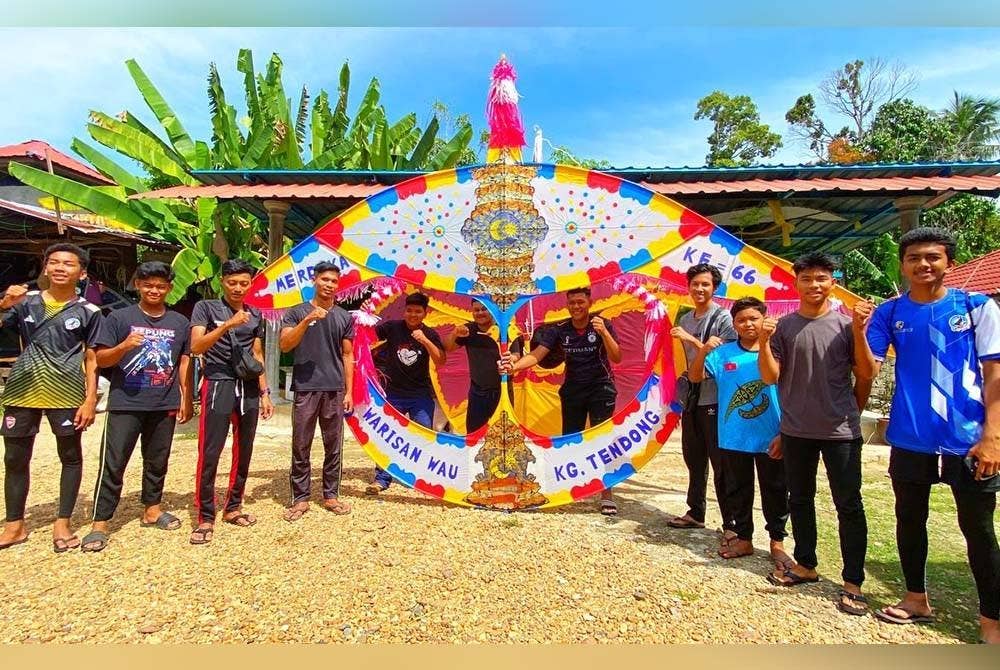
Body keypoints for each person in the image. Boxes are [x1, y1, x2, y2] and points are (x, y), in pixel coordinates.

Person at [856, 227, 1000, 643]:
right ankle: (915, 598)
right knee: (909, 521)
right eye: (914, 257)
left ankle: (991, 620)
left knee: (979, 530)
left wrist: (993, 435)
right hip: (910, 437)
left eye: (932, 257)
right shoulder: (889, 313)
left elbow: (995, 374)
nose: (923, 264)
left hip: (969, 439)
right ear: (902, 265)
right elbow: (870, 369)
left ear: (948, 263)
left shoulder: (977, 306)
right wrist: (857, 331)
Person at [758, 252, 873, 616]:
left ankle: (853, 582)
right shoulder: (784, 327)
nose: (814, 285)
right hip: (795, 430)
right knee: (800, 500)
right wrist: (763, 341)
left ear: (833, 282)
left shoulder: (845, 324)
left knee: (849, 505)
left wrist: (858, 330)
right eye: (807, 279)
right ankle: (806, 565)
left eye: (822, 278)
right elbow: (769, 377)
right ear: (796, 284)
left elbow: (867, 372)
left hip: (840, 431)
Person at [80, 261, 193, 552]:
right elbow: (100, 359)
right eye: (148, 285)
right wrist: (124, 347)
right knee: (114, 462)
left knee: (157, 460)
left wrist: (185, 395)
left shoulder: (179, 322)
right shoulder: (119, 318)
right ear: (138, 286)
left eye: (160, 286)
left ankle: (152, 509)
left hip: (163, 401)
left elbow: (183, 360)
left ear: (169, 288)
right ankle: (100, 522)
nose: (154, 290)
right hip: (126, 402)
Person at [0, 243, 103, 553]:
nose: (60, 268)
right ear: (45, 268)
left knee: (69, 455)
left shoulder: (88, 311)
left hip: (66, 391)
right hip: (23, 388)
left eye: (68, 264)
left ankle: (63, 520)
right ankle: (14, 524)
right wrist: (4, 304)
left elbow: (92, 359)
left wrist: (89, 400)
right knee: (14, 457)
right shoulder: (24, 303)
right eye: (54, 262)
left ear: (81, 272)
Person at [688, 297, 790, 567]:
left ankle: (777, 542)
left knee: (776, 490)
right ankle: (744, 538)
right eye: (741, 320)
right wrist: (703, 350)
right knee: (738, 490)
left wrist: (785, 433)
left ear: (764, 318)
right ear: (733, 324)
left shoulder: (779, 349)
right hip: (734, 436)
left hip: (772, 436)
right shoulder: (723, 354)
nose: (748, 324)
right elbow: (695, 377)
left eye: (754, 318)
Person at [505, 287, 622, 515]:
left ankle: (607, 492)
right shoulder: (560, 329)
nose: (576, 306)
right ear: (567, 304)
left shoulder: (602, 324)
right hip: (573, 390)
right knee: (570, 439)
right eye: (572, 303)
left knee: (602, 439)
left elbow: (617, 357)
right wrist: (513, 367)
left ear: (589, 302)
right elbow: (537, 355)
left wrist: (604, 334)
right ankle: (569, 487)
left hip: (601, 388)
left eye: (580, 302)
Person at [188, 259, 274, 545]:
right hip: (218, 382)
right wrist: (227, 325)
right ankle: (205, 516)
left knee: (244, 448)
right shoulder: (206, 308)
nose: (238, 288)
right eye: (232, 282)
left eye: (244, 283)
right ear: (222, 282)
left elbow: (257, 354)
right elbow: (197, 346)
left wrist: (264, 392)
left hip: (248, 385)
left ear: (251, 284)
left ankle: (233, 506)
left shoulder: (255, 314)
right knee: (210, 450)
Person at [668, 264, 737, 547]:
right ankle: (696, 511)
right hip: (692, 398)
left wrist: (690, 339)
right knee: (693, 458)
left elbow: (725, 360)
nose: (699, 289)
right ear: (688, 286)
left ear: (715, 288)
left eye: (705, 285)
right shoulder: (684, 318)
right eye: (695, 284)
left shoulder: (724, 319)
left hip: (716, 399)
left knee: (721, 463)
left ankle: (731, 522)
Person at [279, 262, 355, 521]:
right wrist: (309, 318)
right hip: (306, 388)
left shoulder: (344, 317)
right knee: (301, 444)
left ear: (338, 284)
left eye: (334, 281)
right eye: (324, 279)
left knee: (333, 446)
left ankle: (330, 494)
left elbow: (347, 354)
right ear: (314, 280)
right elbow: (285, 344)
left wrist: (349, 391)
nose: (329, 284)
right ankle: (300, 498)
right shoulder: (296, 311)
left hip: (334, 388)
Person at [366, 292, 445, 494]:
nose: (413, 315)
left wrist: (425, 340)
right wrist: (365, 314)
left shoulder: (430, 333)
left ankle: (420, 478)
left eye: (418, 311)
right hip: (393, 394)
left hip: (420, 395)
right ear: (405, 310)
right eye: (409, 310)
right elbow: (368, 336)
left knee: (423, 436)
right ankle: (382, 479)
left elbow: (440, 360)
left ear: (425, 313)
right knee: (387, 436)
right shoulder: (392, 328)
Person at [444, 299, 521, 433]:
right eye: (476, 310)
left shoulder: (505, 328)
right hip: (478, 393)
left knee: (504, 434)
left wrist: (510, 359)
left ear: (492, 310)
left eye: (483, 309)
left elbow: (516, 354)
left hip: (503, 391)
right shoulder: (468, 330)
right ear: (472, 312)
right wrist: (454, 333)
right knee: (474, 434)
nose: (480, 313)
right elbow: (448, 348)